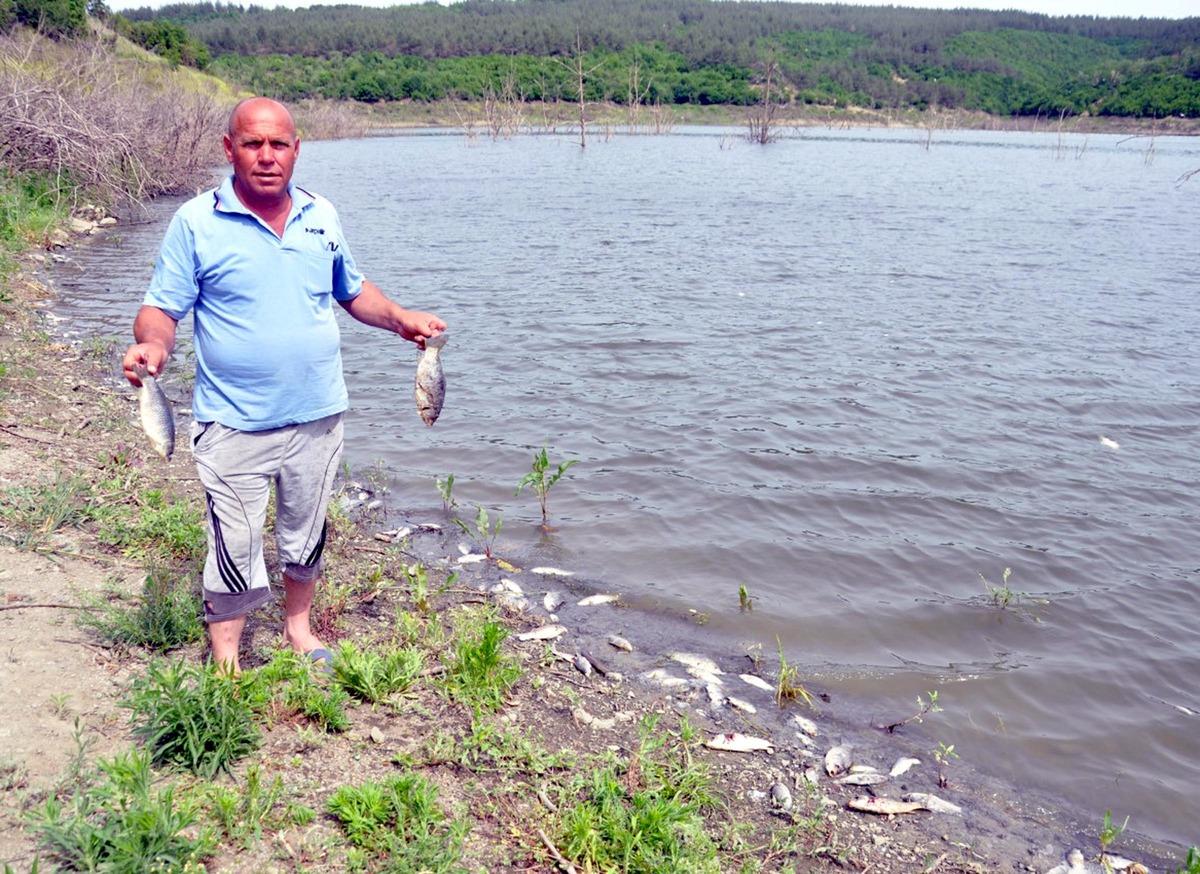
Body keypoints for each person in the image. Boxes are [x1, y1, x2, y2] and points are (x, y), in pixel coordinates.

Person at [122, 97, 445, 671]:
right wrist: (154, 345)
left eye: (278, 144)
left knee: (306, 530)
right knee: (234, 542)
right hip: (232, 421)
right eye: (253, 144)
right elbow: (161, 308)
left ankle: (299, 629)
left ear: (297, 149)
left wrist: (401, 319)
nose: (266, 156)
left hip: (318, 414)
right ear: (230, 149)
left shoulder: (322, 214)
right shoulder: (196, 221)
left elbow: (352, 290)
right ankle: (226, 659)